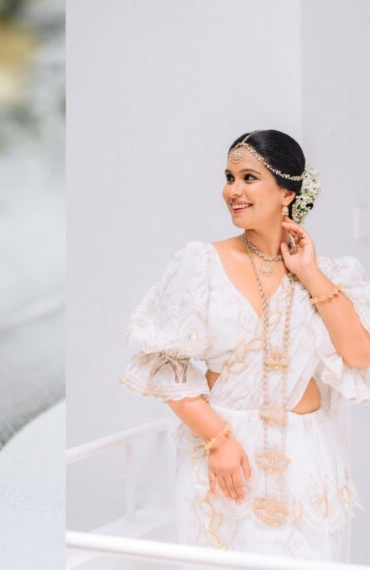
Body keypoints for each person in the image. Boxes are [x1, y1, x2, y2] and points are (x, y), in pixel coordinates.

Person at [119, 129, 370, 561]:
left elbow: (359, 356)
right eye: (229, 176)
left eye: (249, 177)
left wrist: (309, 273)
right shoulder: (201, 263)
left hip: (308, 459)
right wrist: (218, 440)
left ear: (287, 192)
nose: (232, 190)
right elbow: (163, 365)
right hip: (229, 458)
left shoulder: (327, 273)